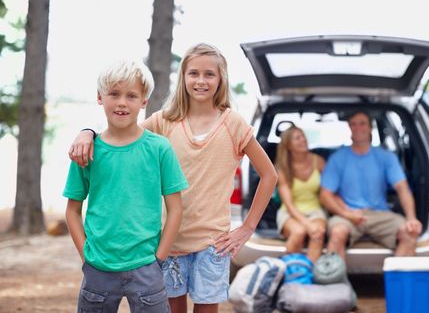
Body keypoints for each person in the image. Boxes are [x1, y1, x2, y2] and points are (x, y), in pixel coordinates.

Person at [68, 43, 278, 313]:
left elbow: (269, 175)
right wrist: (87, 132)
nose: (200, 80)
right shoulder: (165, 120)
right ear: (183, 77)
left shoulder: (233, 124)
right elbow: (120, 135)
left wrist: (246, 229)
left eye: (209, 74)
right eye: (193, 73)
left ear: (220, 79)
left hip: (213, 243)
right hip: (169, 242)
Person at [64, 59, 188, 312]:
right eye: (114, 94)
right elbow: (72, 210)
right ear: (100, 97)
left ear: (144, 101)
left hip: (146, 268)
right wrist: (86, 255)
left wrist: (159, 258)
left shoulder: (159, 148)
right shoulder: (86, 150)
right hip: (98, 268)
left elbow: (175, 209)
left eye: (132, 96)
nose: (122, 102)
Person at [320, 111, 422, 261]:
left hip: (379, 214)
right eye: (353, 124)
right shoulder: (338, 158)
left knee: (409, 232)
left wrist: (411, 218)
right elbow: (325, 195)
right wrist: (348, 214)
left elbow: (402, 188)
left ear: (370, 127)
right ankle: (334, 282)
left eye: (362, 123)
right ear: (349, 128)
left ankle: (396, 282)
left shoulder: (386, 157)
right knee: (337, 233)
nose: (358, 128)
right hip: (347, 214)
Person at [275, 126, 327, 263]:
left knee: (318, 232)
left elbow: (328, 192)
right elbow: (289, 205)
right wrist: (307, 224)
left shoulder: (319, 162)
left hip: (315, 211)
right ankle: (287, 274)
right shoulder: (282, 169)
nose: (303, 140)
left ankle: (307, 276)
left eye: (303, 136)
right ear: (288, 145)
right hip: (290, 213)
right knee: (299, 232)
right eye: (298, 138)